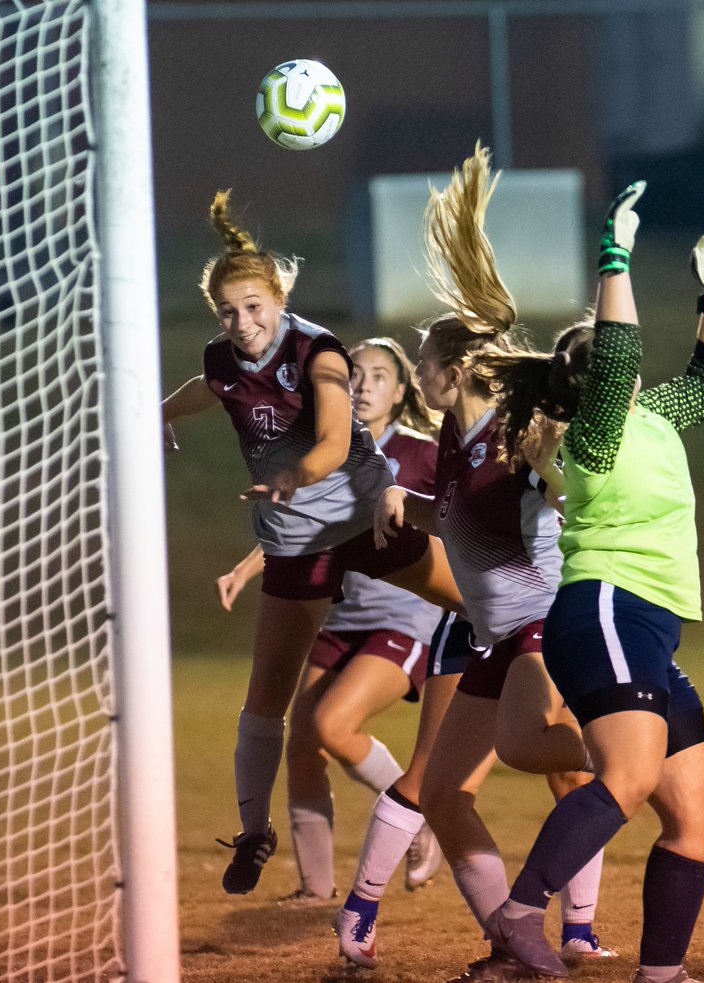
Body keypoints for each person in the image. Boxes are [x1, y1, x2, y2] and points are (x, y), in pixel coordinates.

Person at [333, 148, 615, 982]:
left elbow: (565, 483)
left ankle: (658, 757)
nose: (416, 371)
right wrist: (405, 507)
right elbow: (455, 518)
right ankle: (513, 938)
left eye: (421, 360)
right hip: (493, 638)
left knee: (549, 758)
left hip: (541, 624)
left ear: (452, 373)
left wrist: (568, 486)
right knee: (445, 796)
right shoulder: (453, 446)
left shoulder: (515, 433)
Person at [472, 183, 704, 983]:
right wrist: (614, 254)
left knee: (698, 810)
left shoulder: (652, 416)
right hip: (606, 609)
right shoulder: (588, 439)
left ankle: (660, 972)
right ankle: (519, 915)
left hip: (650, 625)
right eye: (612, 368)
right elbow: (620, 349)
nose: (628, 372)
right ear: (587, 387)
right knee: (623, 777)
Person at [161, 191, 463, 895]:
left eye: (254, 306)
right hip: (297, 546)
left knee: (486, 600)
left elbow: (332, 440)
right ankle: (253, 830)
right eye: (229, 312)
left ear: (279, 297)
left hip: (365, 525)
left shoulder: (318, 350)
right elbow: (208, 386)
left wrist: (291, 476)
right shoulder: (223, 358)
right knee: (268, 701)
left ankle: (440, 783)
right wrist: (162, 411)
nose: (243, 322)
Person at [215, 337, 446, 904]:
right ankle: (316, 888)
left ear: (400, 390)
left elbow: (467, 516)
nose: (362, 385)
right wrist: (247, 569)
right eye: (353, 374)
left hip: (402, 621)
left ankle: (421, 817)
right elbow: (298, 533)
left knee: (334, 726)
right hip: (337, 618)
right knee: (301, 747)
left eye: (377, 375)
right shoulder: (327, 451)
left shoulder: (422, 452)